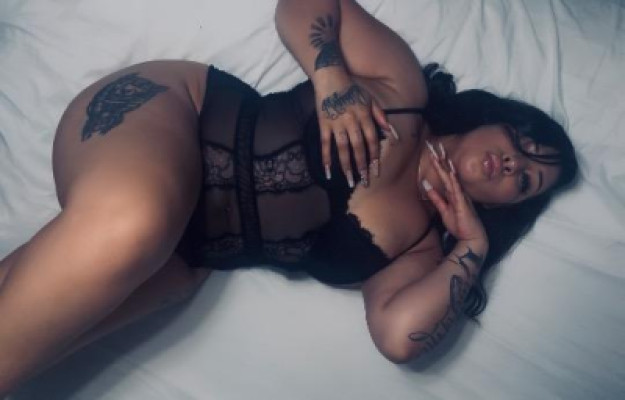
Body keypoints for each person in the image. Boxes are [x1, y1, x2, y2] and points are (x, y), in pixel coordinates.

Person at [0, 0, 578, 394]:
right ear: (495, 119)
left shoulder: (420, 251)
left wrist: (472, 247)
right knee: (136, 224)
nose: (515, 162)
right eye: (522, 142)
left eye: (526, 179)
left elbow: (399, 337)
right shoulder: (403, 89)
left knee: (48, 332)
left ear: (504, 205)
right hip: (164, 114)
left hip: (179, 256)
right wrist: (331, 78)